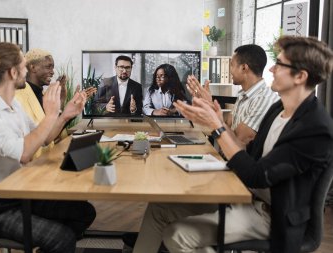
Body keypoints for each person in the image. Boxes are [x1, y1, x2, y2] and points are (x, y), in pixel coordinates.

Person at [133, 36, 333, 253]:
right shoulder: (278, 110)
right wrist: (217, 120)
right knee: (158, 209)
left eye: (280, 64)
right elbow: (246, 153)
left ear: (300, 76)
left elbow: (257, 175)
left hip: (271, 215)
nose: (272, 69)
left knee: (178, 235)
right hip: (245, 196)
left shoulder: (314, 128)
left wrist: (216, 126)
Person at [0, 42, 96, 253]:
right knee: (62, 238)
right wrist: (50, 114)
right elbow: (24, 153)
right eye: (24, 65)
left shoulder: (14, 105)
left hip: (22, 195)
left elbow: (43, 138)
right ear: (13, 72)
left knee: (84, 212)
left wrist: (65, 113)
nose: (27, 70)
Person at [187, 44, 278, 146]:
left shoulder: (263, 100)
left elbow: (236, 143)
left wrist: (210, 109)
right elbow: (227, 128)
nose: (229, 70)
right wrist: (209, 104)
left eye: (231, 65)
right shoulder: (243, 94)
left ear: (244, 68)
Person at [15, 48, 97, 157]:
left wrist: (64, 104)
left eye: (52, 67)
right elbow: (41, 138)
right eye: (48, 67)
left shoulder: (43, 95)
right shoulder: (19, 98)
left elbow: (51, 136)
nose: (52, 72)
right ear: (33, 67)